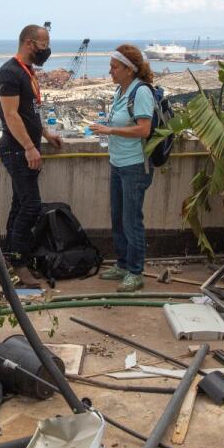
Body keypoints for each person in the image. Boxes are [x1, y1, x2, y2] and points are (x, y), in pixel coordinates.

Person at [0, 23, 62, 286]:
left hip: (25, 147)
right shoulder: (10, 73)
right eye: (43, 46)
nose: (46, 51)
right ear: (28, 43)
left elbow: (29, 112)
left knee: (20, 204)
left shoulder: (27, 71)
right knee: (31, 206)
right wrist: (29, 147)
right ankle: (19, 262)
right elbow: (11, 115)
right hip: (16, 150)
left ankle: (11, 257)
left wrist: (45, 135)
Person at [91, 44, 155, 292]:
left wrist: (110, 130)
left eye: (114, 67)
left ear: (129, 69)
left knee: (132, 220)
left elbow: (143, 129)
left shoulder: (141, 93)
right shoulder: (121, 90)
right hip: (118, 163)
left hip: (135, 166)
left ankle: (135, 272)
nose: (110, 72)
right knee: (118, 217)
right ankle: (122, 264)